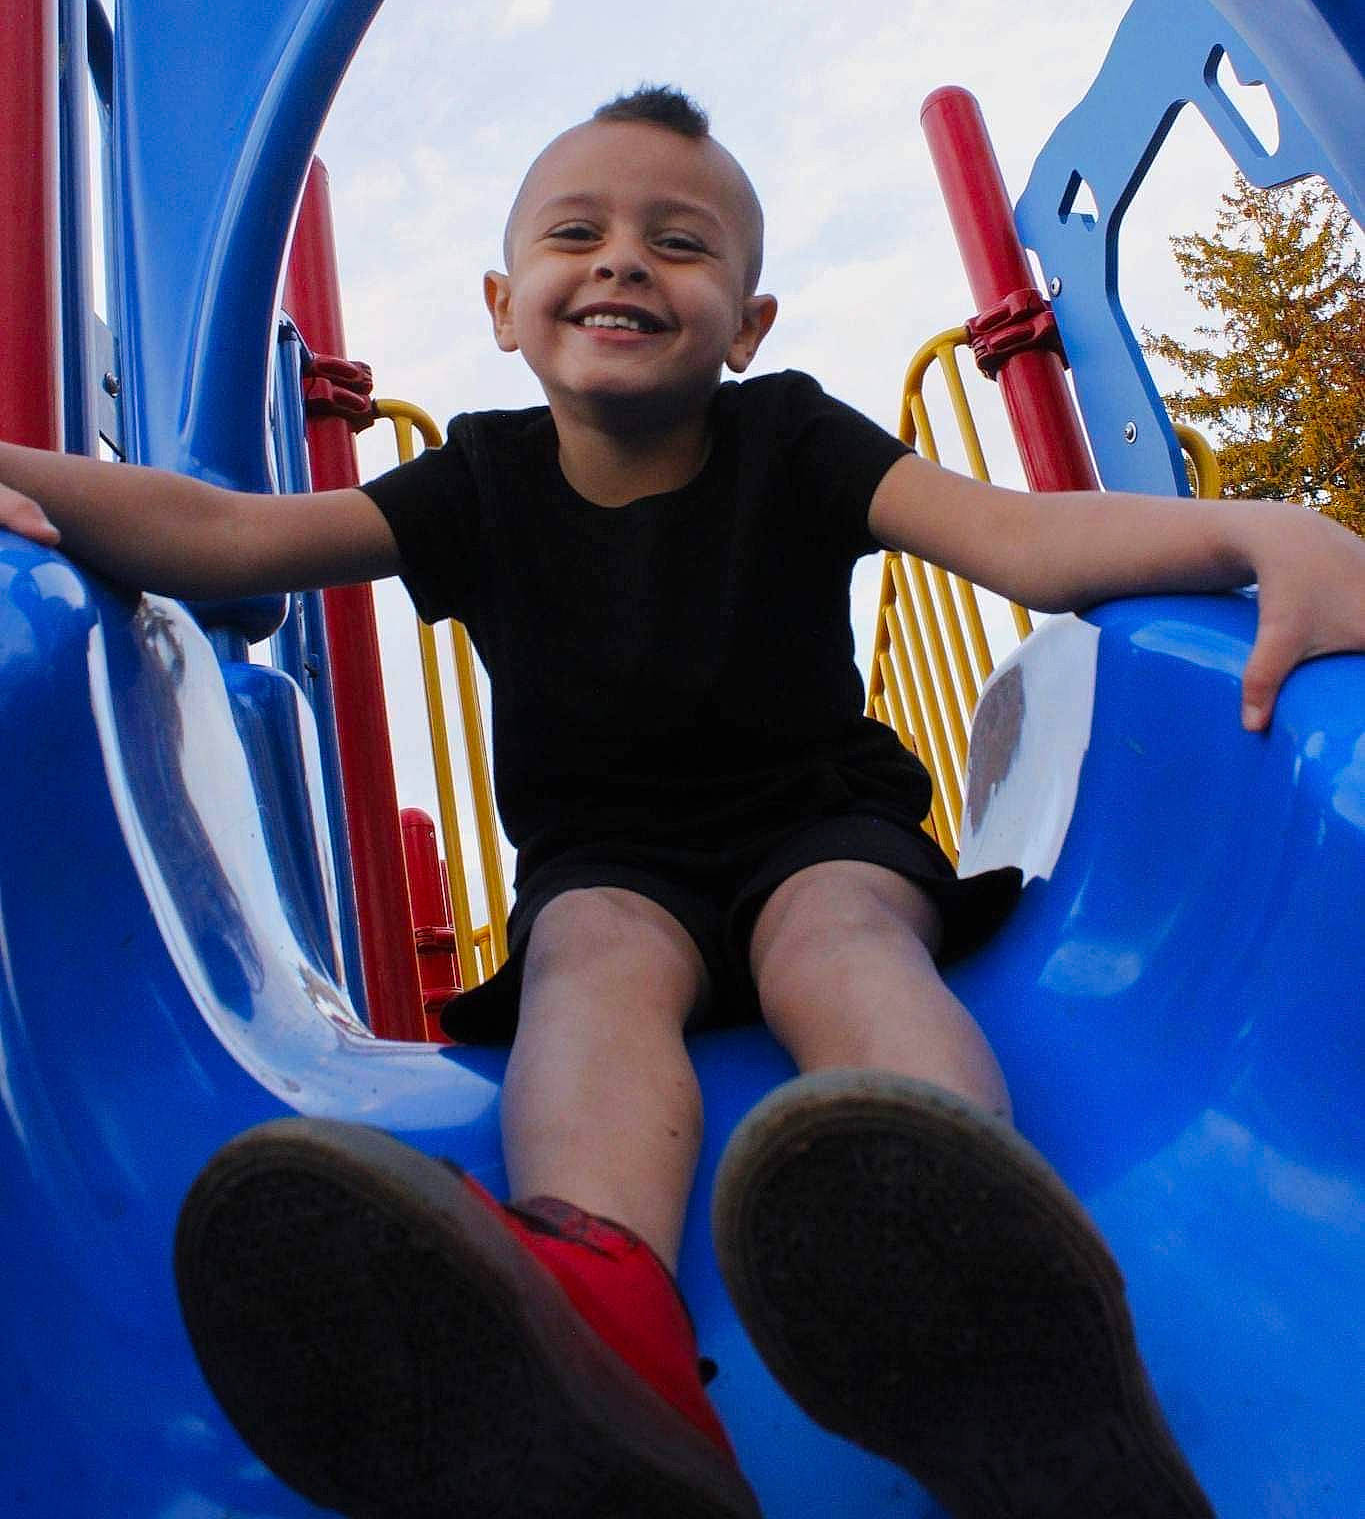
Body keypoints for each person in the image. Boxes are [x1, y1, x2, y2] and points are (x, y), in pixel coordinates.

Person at [3, 85, 1363, 1519]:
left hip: (813, 826)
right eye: (574, 235)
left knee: (835, 936)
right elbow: (230, 538)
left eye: (680, 242)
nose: (622, 262)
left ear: (749, 322)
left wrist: (1257, 525)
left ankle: (963, 1244)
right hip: (609, 865)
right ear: (503, 306)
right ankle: (601, 1330)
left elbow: (1020, 540)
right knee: (589, 957)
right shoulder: (481, 478)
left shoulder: (792, 437)